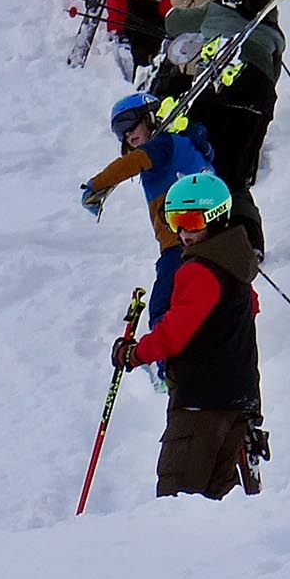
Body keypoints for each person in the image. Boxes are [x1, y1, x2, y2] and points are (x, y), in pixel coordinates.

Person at [111, 170, 262, 500]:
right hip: (239, 400)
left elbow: (174, 334)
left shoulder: (198, 270)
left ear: (217, 218)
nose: (182, 232)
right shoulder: (237, 264)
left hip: (201, 402)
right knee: (219, 500)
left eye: (192, 221)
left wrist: (135, 354)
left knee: (177, 499)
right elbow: (250, 307)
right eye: (175, 220)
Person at [148, 0, 286, 256]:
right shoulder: (274, 34)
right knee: (235, 176)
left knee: (211, 167)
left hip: (218, 91)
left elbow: (172, 21)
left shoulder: (214, 11)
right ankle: (250, 240)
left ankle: (211, 231)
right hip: (257, 99)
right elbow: (273, 76)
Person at [79, 94, 213, 335]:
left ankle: (167, 363)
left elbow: (135, 161)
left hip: (181, 244)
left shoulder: (164, 144)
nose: (127, 133)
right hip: (203, 239)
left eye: (130, 123)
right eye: (120, 131)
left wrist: (97, 185)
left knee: (163, 305)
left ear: (149, 116)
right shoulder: (179, 147)